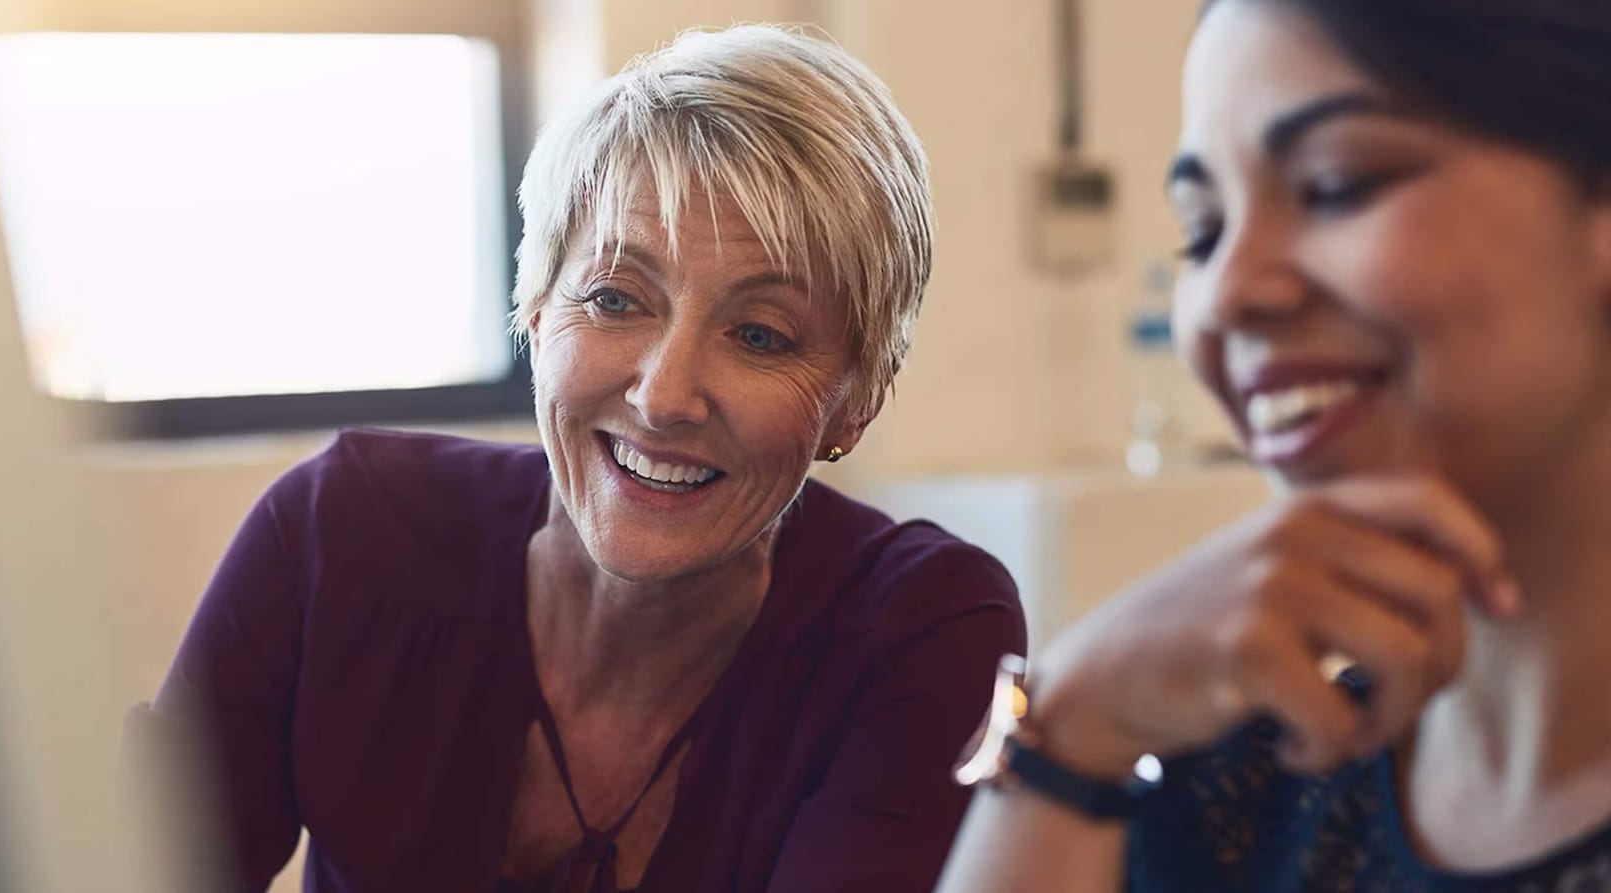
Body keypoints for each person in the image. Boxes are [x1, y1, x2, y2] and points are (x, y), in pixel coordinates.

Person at [135, 23, 1025, 893]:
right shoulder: (338, 538)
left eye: (760, 334)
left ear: (857, 401)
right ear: (532, 310)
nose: (664, 396)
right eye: (613, 297)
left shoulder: (924, 631)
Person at [937, 1, 1611, 890]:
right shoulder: (1233, 790)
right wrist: (1067, 725)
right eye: (1202, 232)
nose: (1225, 295)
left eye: (1338, 184)